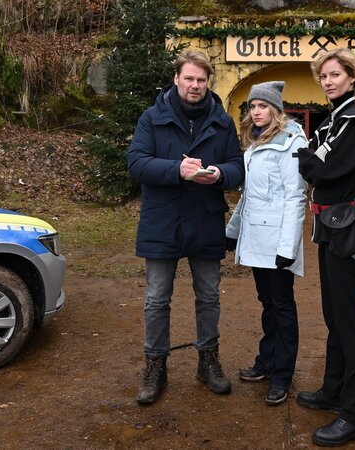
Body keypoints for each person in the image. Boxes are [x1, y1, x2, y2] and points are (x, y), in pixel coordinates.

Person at [127, 50, 244, 405]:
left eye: (201, 80)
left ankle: (208, 361)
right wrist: (175, 170)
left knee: (208, 296)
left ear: (208, 82)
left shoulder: (222, 121)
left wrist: (219, 174)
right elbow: (137, 162)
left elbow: (237, 167)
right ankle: (155, 366)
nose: (195, 85)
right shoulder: (153, 117)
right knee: (156, 298)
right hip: (162, 220)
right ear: (176, 78)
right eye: (189, 78)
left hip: (205, 219)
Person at [295, 48, 355, 447]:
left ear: (351, 77)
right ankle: (333, 390)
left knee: (349, 320)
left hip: (347, 226)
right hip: (330, 224)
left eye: (334, 75)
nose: (327, 81)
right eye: (323, 76)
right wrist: (311, 161)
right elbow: (313, 161)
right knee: (333, 314)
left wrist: (310, 162)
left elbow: (319, 168)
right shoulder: (335, 119)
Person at [225, 81, 308, 406]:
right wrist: (233, 231)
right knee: (268, 302)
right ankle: (267, 360)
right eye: (253, 106)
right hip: (257, 237)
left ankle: (282, 375)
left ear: (276, 109)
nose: (257, 112)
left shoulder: (291, 141)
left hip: (276, 242)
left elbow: (295, 196)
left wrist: (288, 248)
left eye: (263, 106)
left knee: (282, 306)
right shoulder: (257, 141)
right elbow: (250, 196)